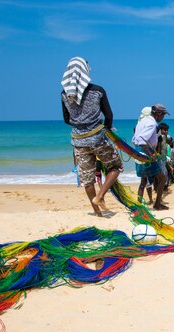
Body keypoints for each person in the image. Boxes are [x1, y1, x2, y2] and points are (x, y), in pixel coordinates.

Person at [61, 56, 123, 217]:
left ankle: (96, 212)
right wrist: (107, 127)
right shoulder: (98, 91)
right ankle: (100, 196)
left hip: (78, 141)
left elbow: (67, 119)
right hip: (97, 137)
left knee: (87, 178)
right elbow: (109, 115)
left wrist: (79, 123)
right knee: (116, 167)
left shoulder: (64, 94)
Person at [131, 103, 170, 210]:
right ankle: (157, 204)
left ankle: (139, 204)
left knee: (143, 181)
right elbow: (140, 140)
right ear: (158, 113)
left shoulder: (142, 121)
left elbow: (134, 139)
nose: (163, 118)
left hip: (139, 151)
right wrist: (150, 153)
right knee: (162, 178)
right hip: (146, 152)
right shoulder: (152, 124)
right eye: (163, 115)